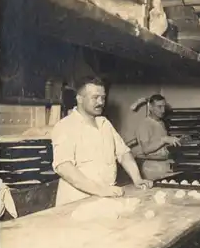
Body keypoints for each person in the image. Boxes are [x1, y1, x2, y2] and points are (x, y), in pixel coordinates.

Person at [51, 76, 153, 206]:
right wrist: (101, 190)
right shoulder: (65, 126)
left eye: (103, 97)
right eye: (95, 97)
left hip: (106, 197)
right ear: (80, 99)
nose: (100, 102)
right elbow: (64, 167)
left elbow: (123, 153)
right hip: (77, 202)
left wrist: (137, 179)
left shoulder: (105, 124)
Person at [134, 94, 181, 180]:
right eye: (159, 107)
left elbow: (161, 145)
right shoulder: (144, 124)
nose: (163, 110)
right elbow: (146, 149)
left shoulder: (161, 123)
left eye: (164, 107)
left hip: (162, 163)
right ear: (151, 108)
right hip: (151, 167)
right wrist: (164, 140)